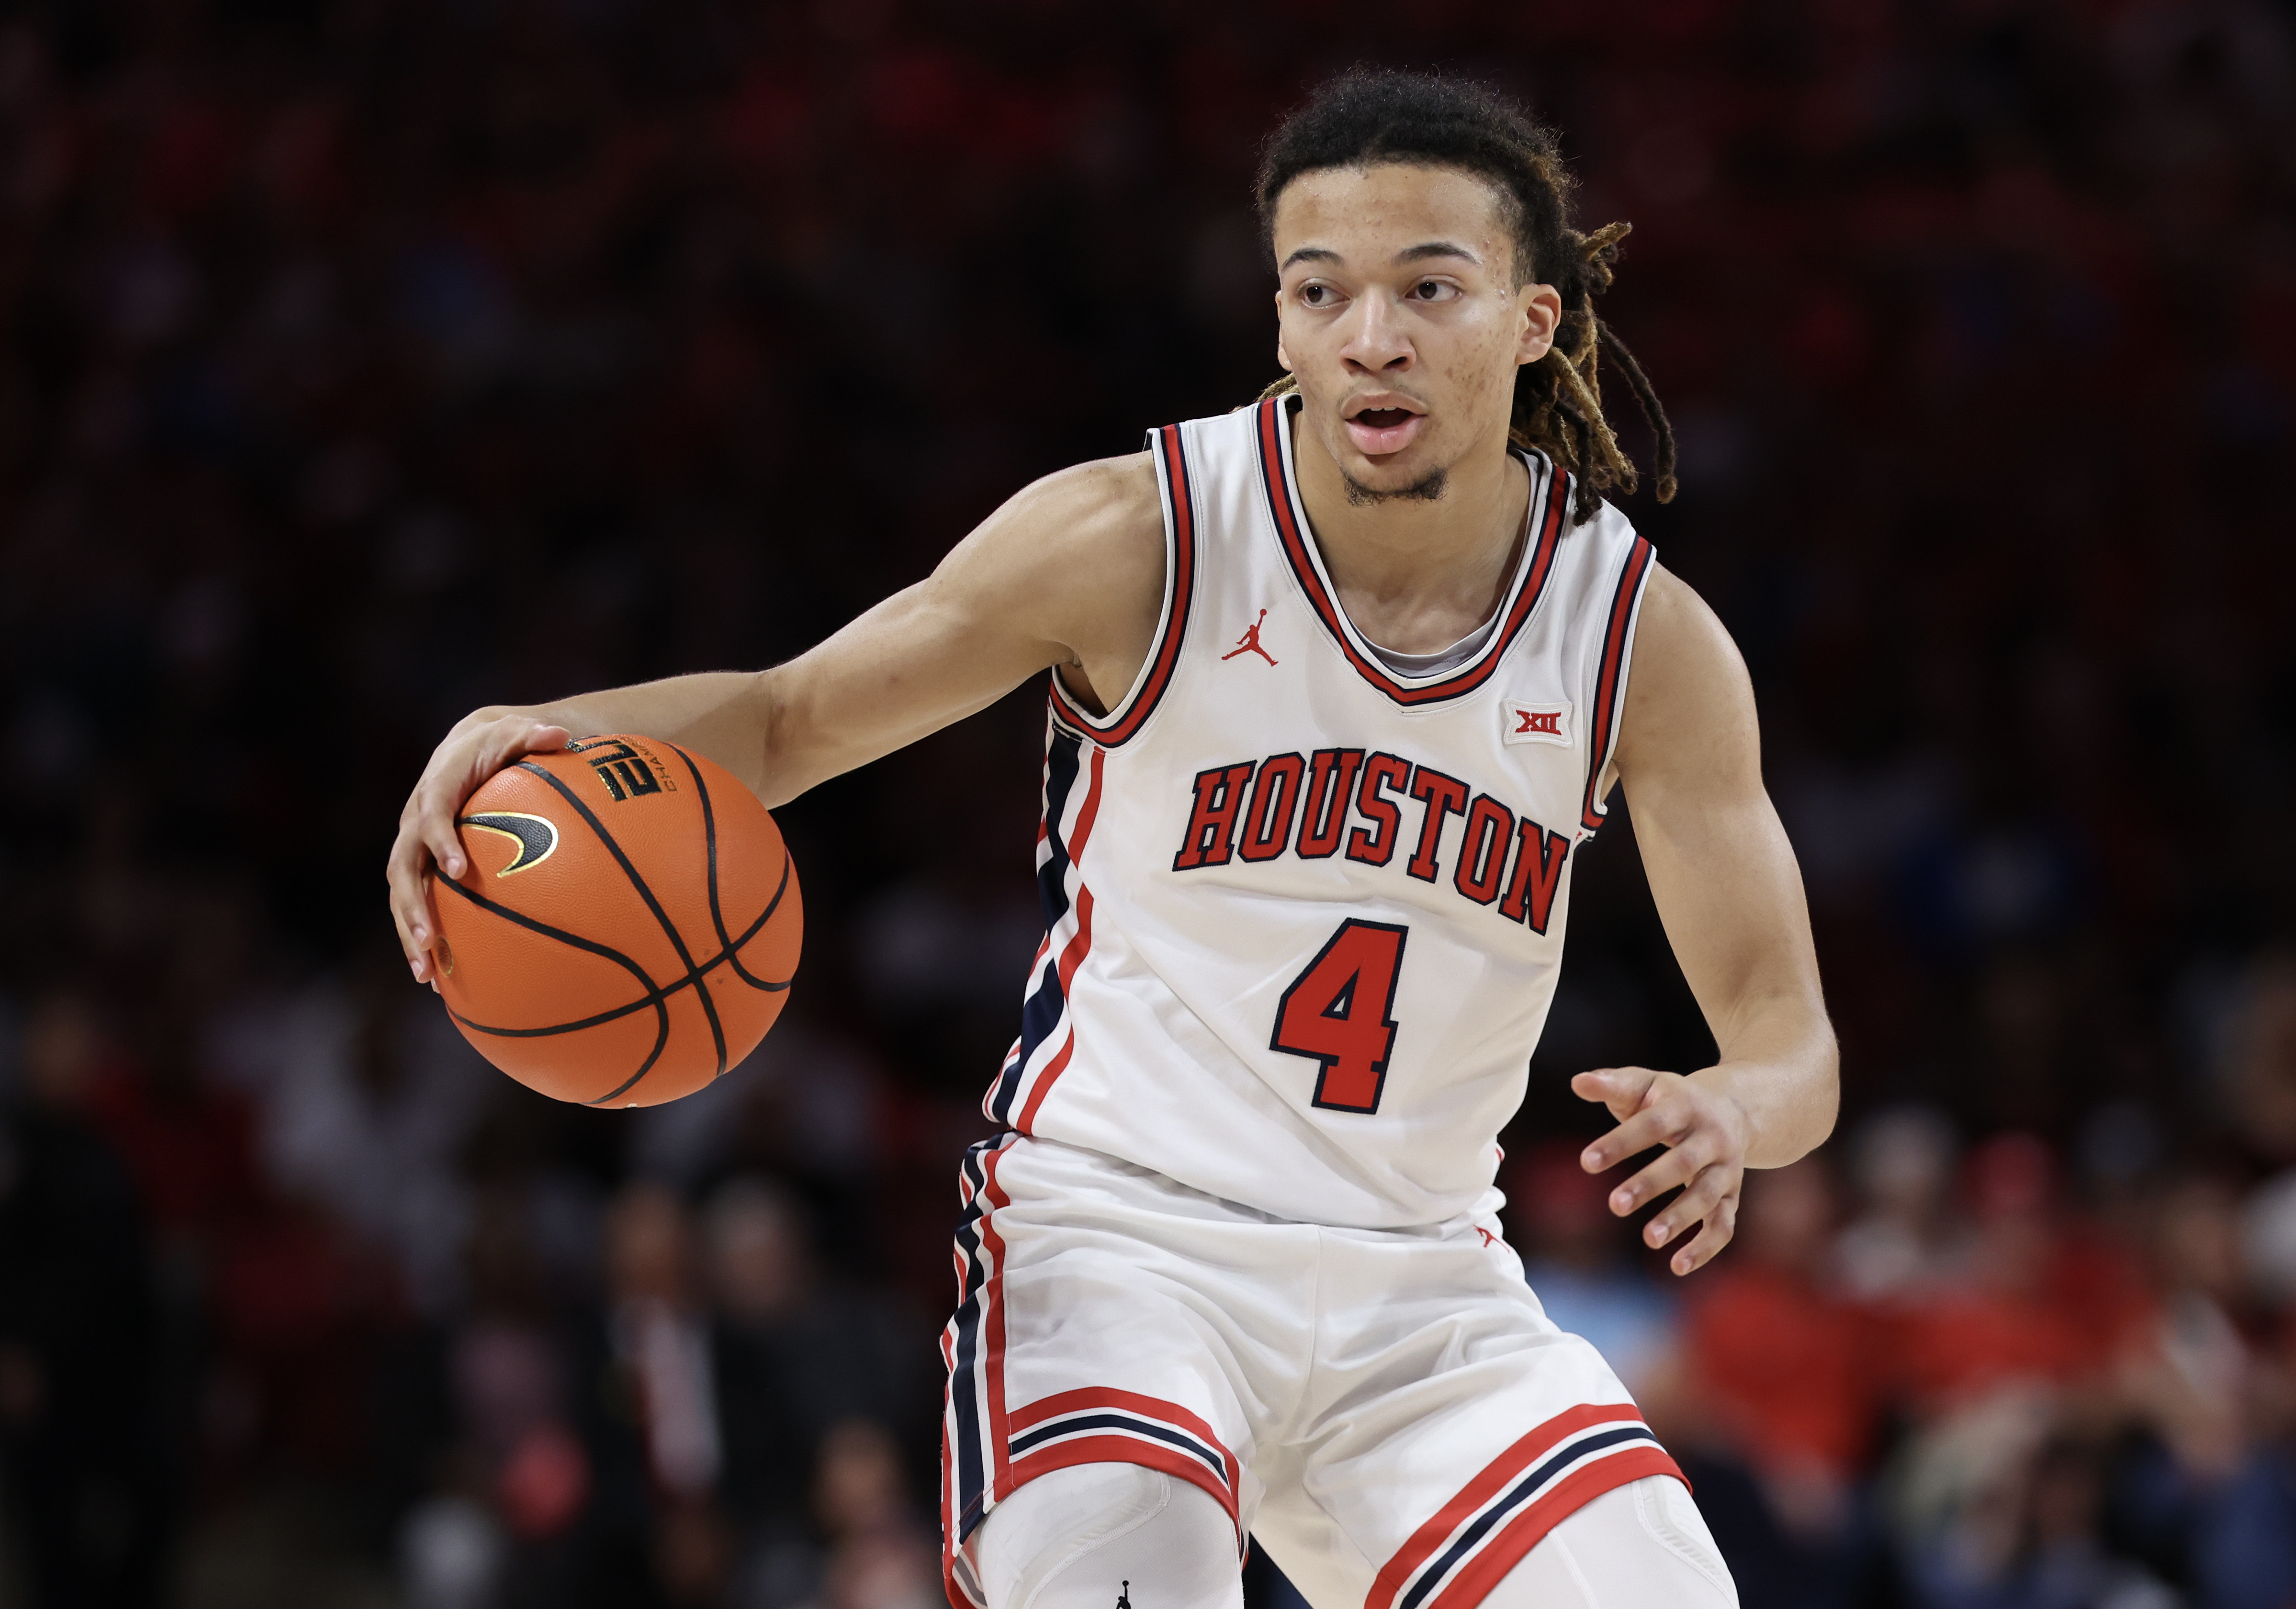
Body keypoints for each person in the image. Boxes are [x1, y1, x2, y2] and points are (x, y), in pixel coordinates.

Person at [386, 70, 1836, 1609]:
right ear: (1279, 323)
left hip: (1423, 1284)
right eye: (1320, 291)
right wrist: (541, 732)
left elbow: (1791, 1045)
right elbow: (789, 720)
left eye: (1430, 287)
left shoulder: (1637, 641)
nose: (1372, 336)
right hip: (1115, 1240)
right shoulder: (1139, 536)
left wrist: (1738, 1112)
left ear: (1533, 321)